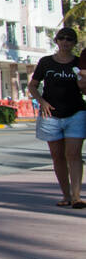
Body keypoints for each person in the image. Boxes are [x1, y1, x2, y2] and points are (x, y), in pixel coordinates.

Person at [30, 28, 86, 208]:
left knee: (74, 154)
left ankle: (77, 197)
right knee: (57, 156)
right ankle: (66, 195)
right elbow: (33, 86)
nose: (65, 42)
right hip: (50, 115)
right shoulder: (46, 62)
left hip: (76, 112)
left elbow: (84, 88)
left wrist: (82, 83)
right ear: (56, 40)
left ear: (74, 43)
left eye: (69, 39)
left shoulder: (79, 62)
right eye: (62, 38)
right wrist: (41, 102)